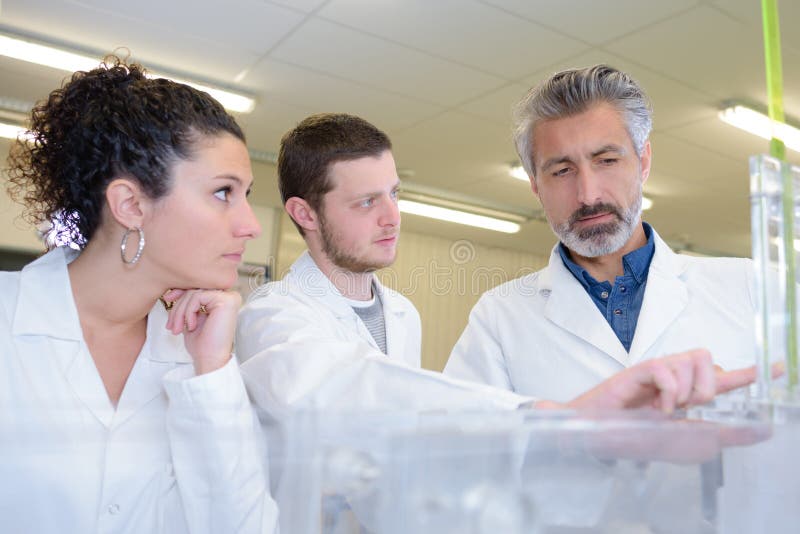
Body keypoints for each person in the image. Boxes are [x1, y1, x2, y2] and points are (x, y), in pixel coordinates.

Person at [237, 112, 757, 417]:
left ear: (643, 161)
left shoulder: (401, 313)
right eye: (366, 202)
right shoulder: (272, 314)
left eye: (394, 193)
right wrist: (548, 418)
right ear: (304, 214)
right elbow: (352, 392)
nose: (392, 217)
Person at [0, 58, 278, 533]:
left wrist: (213, 368)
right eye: (222, 193)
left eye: (246, 194)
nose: (250, 225)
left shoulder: (198, 358)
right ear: (130, 205)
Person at [445, 64, 756, 402]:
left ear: (643, 161)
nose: (588, 195)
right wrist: (567, 425)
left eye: (606, 161)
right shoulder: (499, 317)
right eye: (562, 171)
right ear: (535, 184)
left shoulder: (750, 287)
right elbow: (461, 431)